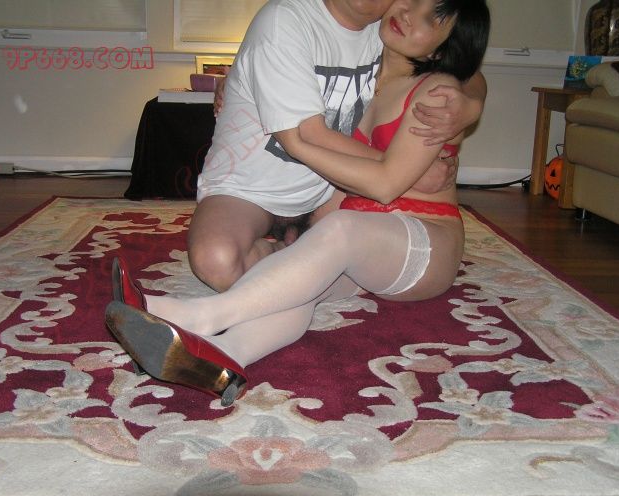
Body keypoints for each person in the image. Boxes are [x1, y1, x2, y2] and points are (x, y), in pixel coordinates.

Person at [105, 0, 491, 407]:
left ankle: (198, 316)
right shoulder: (370, 60)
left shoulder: (436, 95)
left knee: (340, 230)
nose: (410, 13)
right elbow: (282, 59)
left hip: (423, 243)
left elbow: (385, 184)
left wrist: (470, 102)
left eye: (432, 18)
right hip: (369, 249)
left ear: (440, 51)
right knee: (296, 286)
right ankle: (225, 357)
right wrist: (240, 74)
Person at [188, 0, 487, 292]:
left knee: (344, 250)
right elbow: (306, 136)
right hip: (249, 190)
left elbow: (465, 67)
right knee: (217, 261)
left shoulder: (383, 29)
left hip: (327, 192)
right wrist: (408, 174)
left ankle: (286, 258)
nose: (410, 14)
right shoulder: (286, 21)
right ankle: (298, 266)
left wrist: (470, 104)